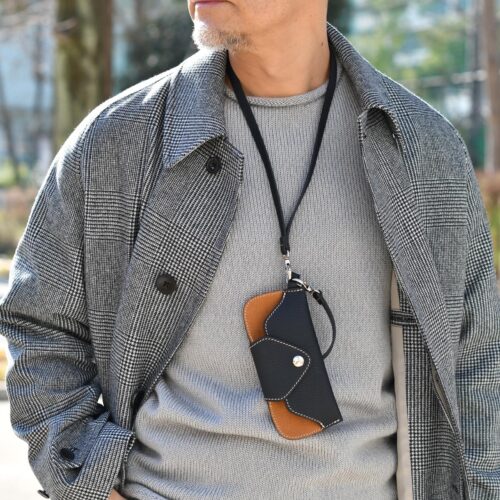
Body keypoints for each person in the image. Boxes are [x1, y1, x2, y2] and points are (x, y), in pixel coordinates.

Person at [1, 1, 499, 499]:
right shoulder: (116, 142)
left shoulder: (424, 150)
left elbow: (478, 364)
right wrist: (92, 486)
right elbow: (40, 329)